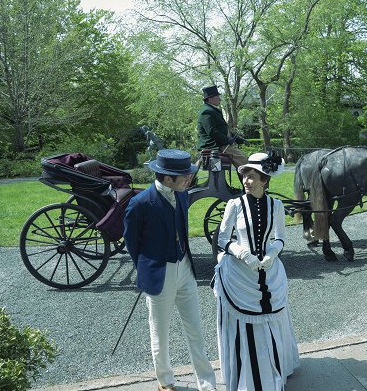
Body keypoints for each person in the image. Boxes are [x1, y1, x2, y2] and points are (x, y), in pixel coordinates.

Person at [123, 149, 217, 391]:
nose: (189, 179)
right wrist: (150, 269)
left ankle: (207, 384)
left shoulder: (183, 196)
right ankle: (165, 382)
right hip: (159, 274)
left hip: (185, 269)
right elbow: (132, 244)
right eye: (184, 176)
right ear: (167, 178)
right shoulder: (140, 203)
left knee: (196, 330)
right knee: (160, 334)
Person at [213, 152, 300, 390]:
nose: (246, 181)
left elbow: (281, 237)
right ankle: (247, 376)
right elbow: (221, 238)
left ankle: (273, 369)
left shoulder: (276, 205)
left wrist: (272, 254)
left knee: (271, 319)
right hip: (239, 274)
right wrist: (242, 254)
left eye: (251, 177)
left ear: (264, 179)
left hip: (269, 273)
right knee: (248, 326)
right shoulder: (234, 205)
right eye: (245, 177)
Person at [197, 85, 248, 168]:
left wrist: (237, 138)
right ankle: (250, 179)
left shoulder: (212, 110)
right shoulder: (206, 111)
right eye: (217, 97)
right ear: (210, 99)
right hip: (216, 145)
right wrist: (227, 140)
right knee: (245, 163)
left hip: (221, 143)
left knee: (244, 160)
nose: (220, 99)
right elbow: (212, 131)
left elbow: (223, 129)